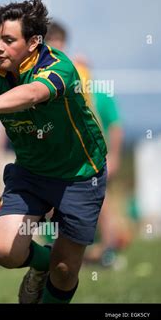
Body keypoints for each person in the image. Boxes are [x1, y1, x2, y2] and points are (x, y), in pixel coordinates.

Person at [0, 0, 108, 304]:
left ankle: (52, 273)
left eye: (8, 40)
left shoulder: (60, 66)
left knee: (66, 270)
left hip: (80, 176)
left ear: (33, 42)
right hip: (31, 174)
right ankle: (40, 263)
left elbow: (32, 93)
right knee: (5, 251)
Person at [45, 22, 130, 266]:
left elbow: (115, 124)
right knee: (54, 202)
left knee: (103, 204)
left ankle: (109, 251)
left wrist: (114, 156)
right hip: (63, 155)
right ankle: (57, 251)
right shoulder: (48, 76)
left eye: (57, 42)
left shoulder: (85, 79)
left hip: (93, 155)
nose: (54, 47)